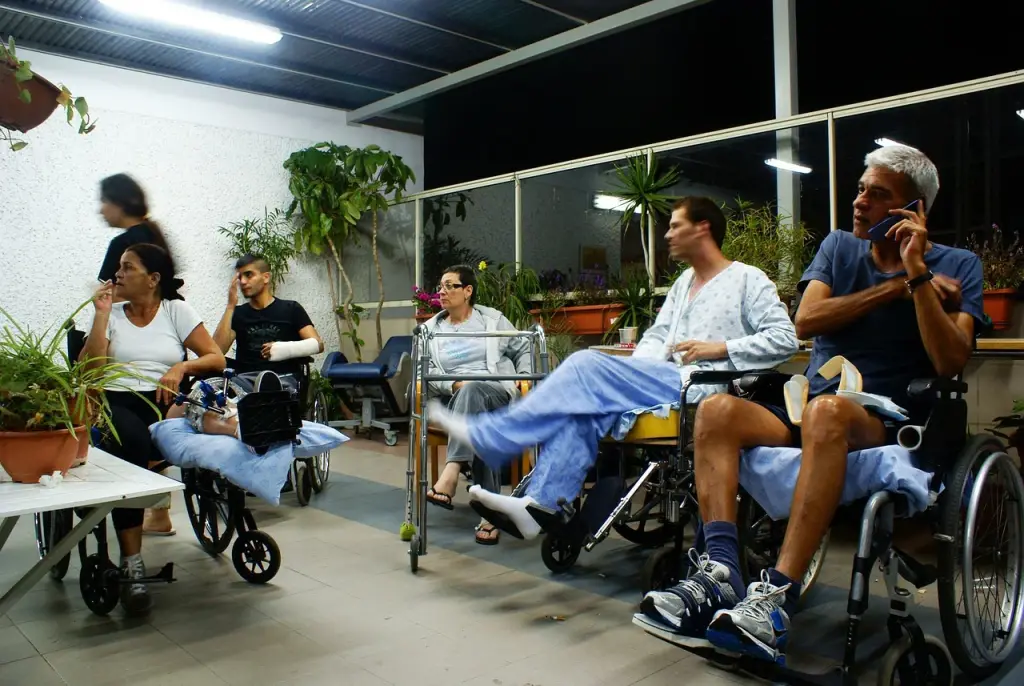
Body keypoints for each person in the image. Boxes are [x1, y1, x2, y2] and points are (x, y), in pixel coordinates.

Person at [639, 145, 983, 666]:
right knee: (716, 412)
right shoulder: (840, 249)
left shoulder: (958, 265)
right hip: (812, 406)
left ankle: (777, 598)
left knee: (827, 414)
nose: (859, 199)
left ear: (913, 210)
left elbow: (949, 360)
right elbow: (807, 320)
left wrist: (915, 275)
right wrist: (893, 289)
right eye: (861, 188)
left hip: (887, 418)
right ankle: (721, 573)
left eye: (877, 193)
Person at [427, 197, 800, 542]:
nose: (667, 234)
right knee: (583, 407)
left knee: (585, 363)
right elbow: (655, 337)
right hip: (661, 380)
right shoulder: (683, 283)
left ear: (702, 228)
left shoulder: (748, 279)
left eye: (675, 226)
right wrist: (632, 376)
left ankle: (495, 436)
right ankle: (540, 504)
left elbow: (785, 338)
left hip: (700, 387)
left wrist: (722, 347)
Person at [81, 243, 225, 615]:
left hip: (167, 396)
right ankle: (133, 562)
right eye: (119, 268)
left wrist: (181, 368)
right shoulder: (110, 314)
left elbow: (215, 357)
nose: (119, 274)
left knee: (207, 424)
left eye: (128, 268)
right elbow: (90, 370)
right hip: (119, 398)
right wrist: (99, 316)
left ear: (153, 278)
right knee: (131, 441)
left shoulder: (176, 311)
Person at [421, 264, 534, 546]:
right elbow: (427, 373)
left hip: (495, 392)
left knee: (473, 392)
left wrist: (523, 381)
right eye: (440, 287)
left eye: (450, 286)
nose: (442, 292)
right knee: (477, 416)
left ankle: (452, 470)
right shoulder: (431, 330)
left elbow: (523, 347)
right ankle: (491, 515)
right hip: (453, 398)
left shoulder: (492, 320)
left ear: (468, 291)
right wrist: (452, 385)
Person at [95, 173, 177, 535]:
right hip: (165, 352)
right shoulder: (155, 235)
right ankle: (159, 511)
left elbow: (109, 293)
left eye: (104, 201)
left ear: (121, 202)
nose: (101, 210)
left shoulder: (126, 242)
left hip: (138, 347)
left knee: (132, 427)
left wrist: (100, 310)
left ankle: (142, 502)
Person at [212, 255, 323, 382]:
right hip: (245, 382)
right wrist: (230, 306)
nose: (242, 281)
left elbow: (317, 344)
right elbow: (216, 352)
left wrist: (282, 349)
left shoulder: (291, 309)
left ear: (266, 277)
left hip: (284, 381)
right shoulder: (238, 313)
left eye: (248, 275)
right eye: (239, 277)